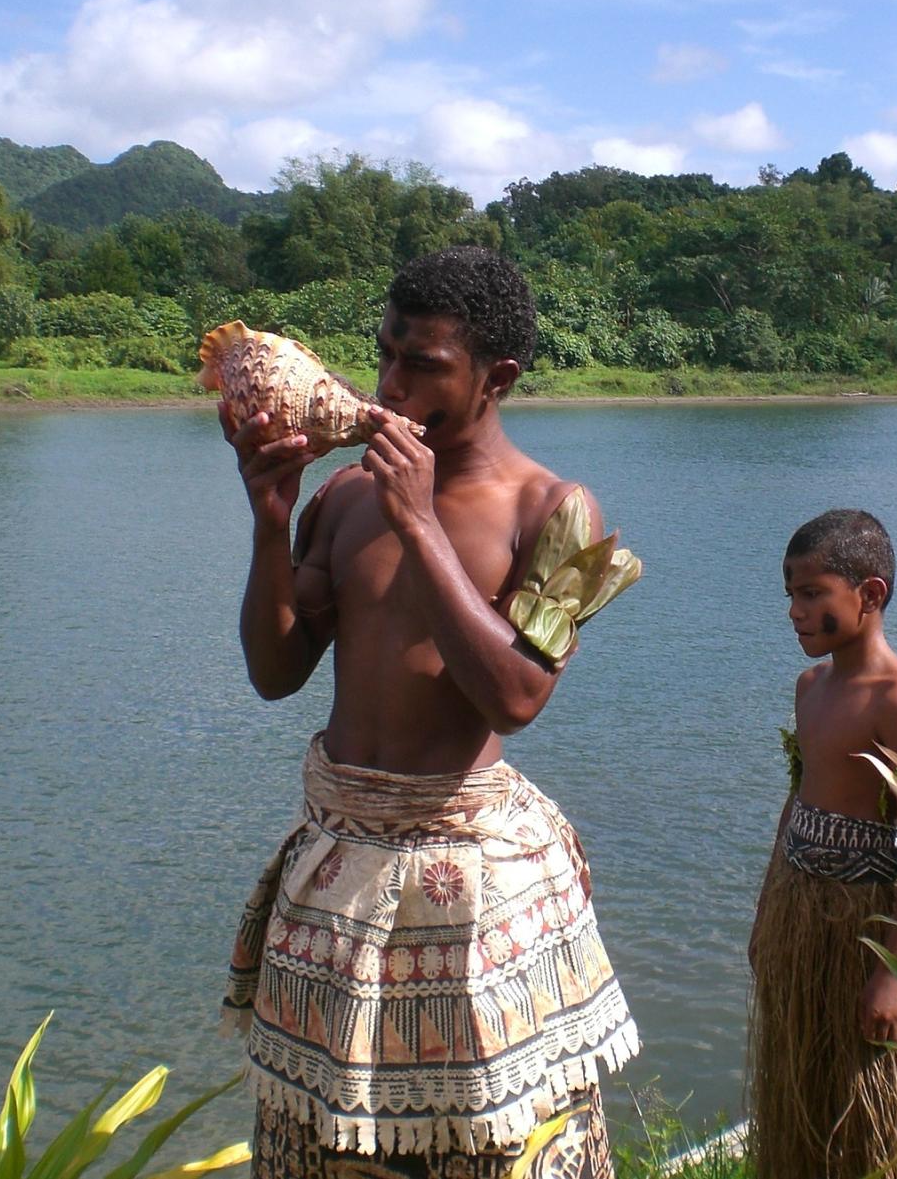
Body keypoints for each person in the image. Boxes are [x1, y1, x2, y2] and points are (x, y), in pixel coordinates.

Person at [219, 247, 641, 1179]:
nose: (389, 385)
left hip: (471, 880)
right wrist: (270, 521)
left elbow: (516, 696)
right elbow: (275, 671)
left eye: (423, 365)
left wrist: (419, 522)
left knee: (490, 1146)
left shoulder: (553, 509)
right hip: (341, 865)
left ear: (498, 377)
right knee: (323, 1143)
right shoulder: (346, 496)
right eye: (384, 354)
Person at [747, 509, 897, 1179]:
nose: (795, 610)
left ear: (870, 594)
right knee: (805, 1088)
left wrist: (896, 972)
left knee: (870, 1105)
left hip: (869, 926)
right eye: (790, 593)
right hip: (801, 912)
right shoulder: (811, 687)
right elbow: (798, 795)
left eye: (812, 592)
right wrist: (767, 910)